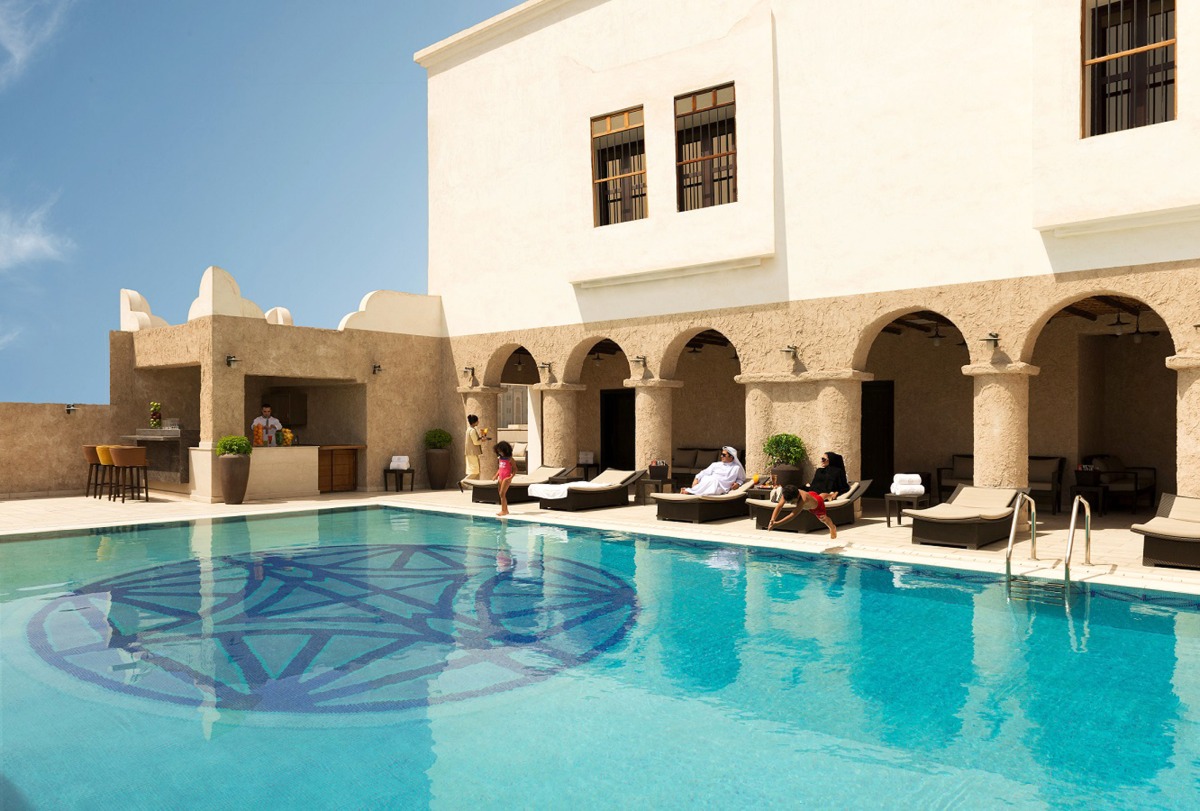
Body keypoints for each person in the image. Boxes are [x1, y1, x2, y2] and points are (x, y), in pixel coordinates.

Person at [767, 484, 838, 538]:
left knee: (824, 519)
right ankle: (830, 495)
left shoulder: (803, 499)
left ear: (797, 496)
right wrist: (772, 519)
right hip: (811, 495)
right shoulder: (788, 493)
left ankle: (832, 527)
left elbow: (793, 515)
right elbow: (779, 506)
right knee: (820, 496)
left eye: (792, 502)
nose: (791, 503)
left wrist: (777, 524)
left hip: (817, 507)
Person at [682, 446, 746, 495]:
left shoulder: (736, 468)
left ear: (731, 457)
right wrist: (696, 479)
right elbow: (704, 472)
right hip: (710, 481)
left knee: (713, 481)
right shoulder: (715, 464)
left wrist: (737, 484)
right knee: (708, 479)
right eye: (721, 454)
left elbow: (741, 479)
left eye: (724, 455)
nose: (721, 456)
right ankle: (692, 491)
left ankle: (691, 491)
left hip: (721, 487)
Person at [461, 414, 490, 489]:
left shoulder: (469, 429)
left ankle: (471, 486)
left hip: (470, 452)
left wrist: (480, 438)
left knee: (474, 471)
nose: (478, 422)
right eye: (477, 421)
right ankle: (463, 482)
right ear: (475, 422)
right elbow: (476, 442)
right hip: (472, 453)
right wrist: (483, 440)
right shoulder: (472, 430)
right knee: (475, 471)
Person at [494, 440, 515, 516]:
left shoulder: (510, 459)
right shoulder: (500, 458)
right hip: (501, 477)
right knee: (501, 494)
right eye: (499, 451)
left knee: (502, 494)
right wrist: (496, 475)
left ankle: (504, 510)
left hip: (506, 478)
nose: (500, 453)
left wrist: (511, 477)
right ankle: (505, 510)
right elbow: (500, 468)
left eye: (501, 451)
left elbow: (515, 469)